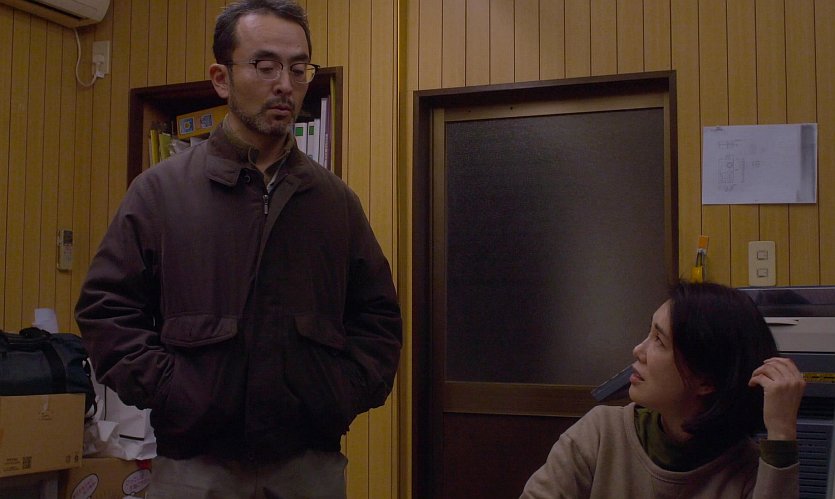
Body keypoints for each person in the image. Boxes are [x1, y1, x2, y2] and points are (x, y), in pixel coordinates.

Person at [74, 1, 402, 497]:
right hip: (192, 465)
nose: (285, 84)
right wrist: (174, 392)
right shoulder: (161, 192)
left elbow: (378, 321)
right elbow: (106, 310)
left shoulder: (335, 202)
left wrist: (337, 393)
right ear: (221, 78)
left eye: (298, 69)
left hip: (307, 465)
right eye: (265, 66)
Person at [520, 281, 805, 499]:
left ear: (705, 382)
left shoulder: (748, 470)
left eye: (659, 340)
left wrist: (782, 433)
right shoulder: (601, 433)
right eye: (649, 334)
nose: (638, 350)